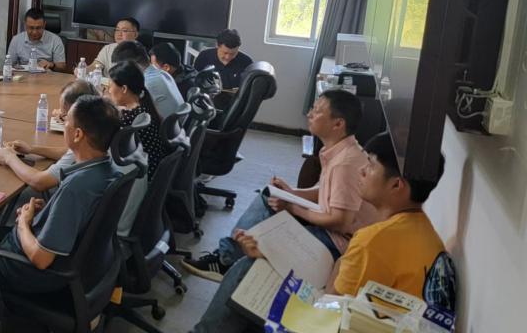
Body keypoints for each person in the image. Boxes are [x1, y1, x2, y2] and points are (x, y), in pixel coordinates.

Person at [192, 133, 454, 332]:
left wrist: (270, 262)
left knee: (247, 273)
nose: (362, 170)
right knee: (258, 267)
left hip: (345, 323)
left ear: (397, 185)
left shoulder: (373, 240)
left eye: (371, 165)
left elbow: (327, 311)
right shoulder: (424, 230)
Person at [183, 89, 378, 282]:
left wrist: (293, 207)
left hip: (337, 241)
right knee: (269, 196)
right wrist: (290, 193)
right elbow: (325, 191)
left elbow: (340, 221)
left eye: (317, 111)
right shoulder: (339, 150)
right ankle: (226, 258)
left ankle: (228, 263)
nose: (310, 114)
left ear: (338, 123)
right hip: (330, 227)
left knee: (266, 241)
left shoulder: (344, 164)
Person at [0, 95, 123, 297]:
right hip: (78, 264)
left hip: (27, 270)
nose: (63, 124)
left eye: (66, 121)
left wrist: (23, 223)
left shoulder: (76, 187)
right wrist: (51, 211)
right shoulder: (108, 168)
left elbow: (41, 259)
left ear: (78, 134)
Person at [0, 80, 147, 238]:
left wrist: (9, 157)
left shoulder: (77, 184)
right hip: (109, 232)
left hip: (103, 236)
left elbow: (39, 182)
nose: (61, 119)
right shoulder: (104, 139)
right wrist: (33, 149)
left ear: (78, 130)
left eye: (65, 117)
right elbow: (70, 154)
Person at [107, 61, 166, 181]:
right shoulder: (143, 107)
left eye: (110, 86)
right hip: (151, 171)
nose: (109, 91)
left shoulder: (128, 118)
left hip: (140, 179)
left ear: (124, 89)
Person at [111, 40, 183, 121]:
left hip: (163, 127)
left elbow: (132, 109)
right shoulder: (162, 73)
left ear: (131, 66)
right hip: (176, 125)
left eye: (120, 68)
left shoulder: (147, 83)